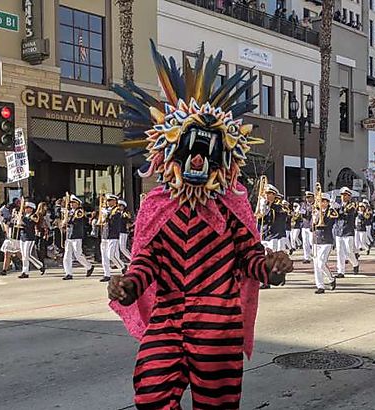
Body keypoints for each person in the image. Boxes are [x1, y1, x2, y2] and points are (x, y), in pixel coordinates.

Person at [108, 42, 293, 409]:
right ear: (168, 156)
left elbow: (248, 256)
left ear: (222, 161)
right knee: (150, 392)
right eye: (189, 150)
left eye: (207, 153)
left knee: (218, 404)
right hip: (169, 316)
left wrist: (269, 268)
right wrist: (130, 284)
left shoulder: (231, 207)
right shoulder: (157, 206)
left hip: (217, 322)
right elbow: (148, 259)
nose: (197, 159)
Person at [62, 195, 95, 280]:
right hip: (69, 236)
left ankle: (89, 266)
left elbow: (73, 220)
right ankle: (68, 273)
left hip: (76, 235)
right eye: (71, 203)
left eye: (74, 203)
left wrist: (66, 218)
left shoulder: (79, 211)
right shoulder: (69, 212)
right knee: (67, 255)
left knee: (78, 254)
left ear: (77, 203)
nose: (72, 204)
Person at [312, 193, 338, 294]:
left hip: (326, 240)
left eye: (324, 201)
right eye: (320, 201)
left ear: (327, 203)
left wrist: (331, 208)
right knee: (316, 265)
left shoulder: (330, 212)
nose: (322, 203)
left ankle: (331, 278)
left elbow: (332, 220)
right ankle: (320, 286)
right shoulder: (315, 212)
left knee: (321, 263)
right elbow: (312, 227)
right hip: (316, 240)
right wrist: (314, 220)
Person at [334, 187, 360, 277]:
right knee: (339, 252)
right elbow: (334, 216)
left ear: (349, 196)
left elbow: (346, 213)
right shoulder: (337, 205)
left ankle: (355, 263)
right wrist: (332, 207)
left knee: (349, 252)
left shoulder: (352, 205)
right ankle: (341, 271)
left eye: (345, 195)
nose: (343, 197)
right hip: (339, 230)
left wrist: (338, 208)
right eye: (342, 195)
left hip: (348, 230)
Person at [99, 194, 125, 283]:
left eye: (110, 200)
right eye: (107, 201)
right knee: (104, 256)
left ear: (115, 201)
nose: (108, 202)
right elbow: (103, 222)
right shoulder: (107, 210)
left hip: (113, 235)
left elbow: (113, 219)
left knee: (111, 255)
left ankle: (123, 266)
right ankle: (106, 274)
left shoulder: (117, 210)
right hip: (105, 234)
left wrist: (106, 214)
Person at [18, 201, 45, 278]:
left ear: (31, 209)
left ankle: (40, 265)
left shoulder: (34, 216)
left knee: (27, 255)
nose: (25, 209)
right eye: (25, 208)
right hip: (23, 236)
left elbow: (30, 225)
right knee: (24, 256)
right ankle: (25, 272)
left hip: (29, 237)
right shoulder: (24, 215)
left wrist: (21, 220)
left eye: (27, 208)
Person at [299, 191, 314, 264]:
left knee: (312, 241)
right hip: (304, 225)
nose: (308, 199)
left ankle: (314, 255)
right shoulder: (303, 205)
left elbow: (310, 214)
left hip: (311, 226)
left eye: (309, 197)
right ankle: (306, 257)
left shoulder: (315, 205)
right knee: (305, 242)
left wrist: (307, 211)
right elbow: (302, 213)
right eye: (307, 197)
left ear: (312, 198)